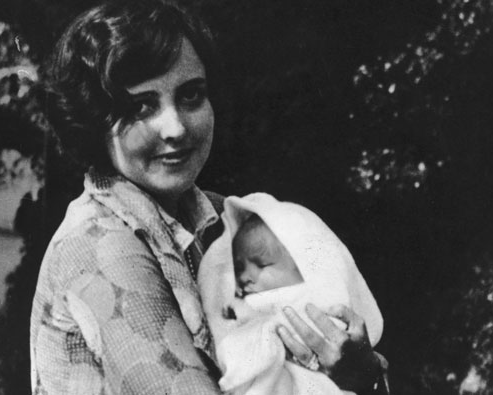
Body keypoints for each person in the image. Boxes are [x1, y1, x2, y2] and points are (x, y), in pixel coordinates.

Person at [30, 0, 388, 394]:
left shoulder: (226, 218)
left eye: (191, 96)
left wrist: (363, 374)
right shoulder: (98, 244)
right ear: (94, 120)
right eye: (141, 107)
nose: (175, 127)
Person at [198, 193, 385, 395]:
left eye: (262, 264)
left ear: (303, 268)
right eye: (239, 267)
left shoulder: (320, 304)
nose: (245, 276)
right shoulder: (248, 306)